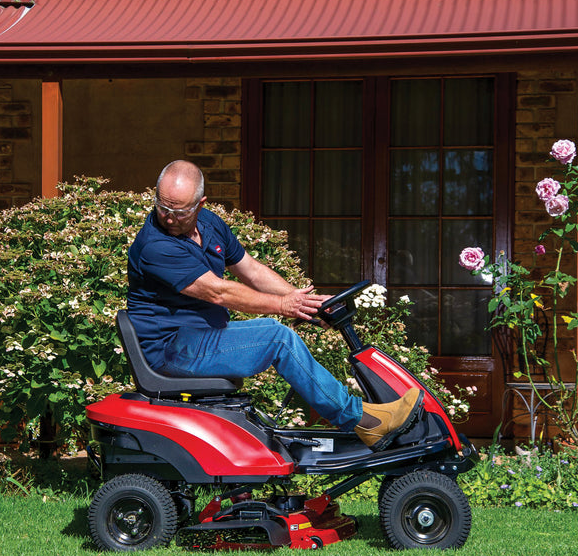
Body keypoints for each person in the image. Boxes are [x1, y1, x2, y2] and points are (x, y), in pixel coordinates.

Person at [126, 160, 423, 451]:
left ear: (201, 203)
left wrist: (304, 303)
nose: (168, 217)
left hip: (201, 338)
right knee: (277, 338)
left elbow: (251, 270)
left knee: (276, 334)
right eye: (163, 207)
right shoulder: (155, 246)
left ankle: (367, 418)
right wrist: (284, 305)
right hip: (171, 350)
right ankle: (364, 421)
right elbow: (218, 292)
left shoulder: (209, 224)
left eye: (179, 211)